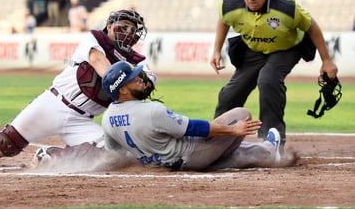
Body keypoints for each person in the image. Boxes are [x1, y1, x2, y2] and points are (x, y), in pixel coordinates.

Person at [0, 9, 157, 166]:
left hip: (81, 120)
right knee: (6, 144)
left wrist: (142, 80)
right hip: (53, 103)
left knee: (113, 153)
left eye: (133, 31)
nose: (128, 33)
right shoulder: (95, 39)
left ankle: (51, 157)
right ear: (110, 26)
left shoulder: (138, 61)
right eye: (124, 27)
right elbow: (100, 63)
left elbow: (148, 81)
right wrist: (127, 76)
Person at [209, 0, 338, 153]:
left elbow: (312, 27)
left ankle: (271, 143)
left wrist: (327, 61)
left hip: (287, 48)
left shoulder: (287, 8)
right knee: (230, 94)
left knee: (268, 79)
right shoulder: (230, 5)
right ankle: (217, 140)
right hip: (254, 49)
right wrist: (216, 50)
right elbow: (224, 21)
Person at [100, 61, 284, 171]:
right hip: (190, 156)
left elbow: (115, 154)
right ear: (122, 89)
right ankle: (268, 152)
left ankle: (264, 152)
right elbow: (196, 128)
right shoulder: (151, 111)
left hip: (162, 165)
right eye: (132, 78)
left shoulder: (107, 118)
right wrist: (231, 130)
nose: (139, 78)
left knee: (226, 152)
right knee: (241, 114)